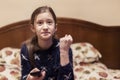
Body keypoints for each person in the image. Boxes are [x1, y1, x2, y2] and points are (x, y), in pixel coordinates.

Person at [20, 6, 74, 80]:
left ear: (55, 27)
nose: (45, 27)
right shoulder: (26, 49)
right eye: (40, 23)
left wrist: (64, 52)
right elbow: (24, 76)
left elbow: (68, 78)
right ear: (33, 28)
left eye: (49, 22)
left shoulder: (64, 48)